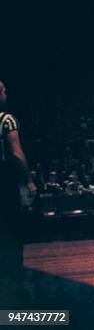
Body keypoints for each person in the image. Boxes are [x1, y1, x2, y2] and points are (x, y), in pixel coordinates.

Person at [0, 81, 37, 274]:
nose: (6, 93)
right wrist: (28, 180)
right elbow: (15, 154)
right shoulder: (6, 120)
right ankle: (13, 273)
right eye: (4, 91)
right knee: (11, 226)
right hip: (3, 180)